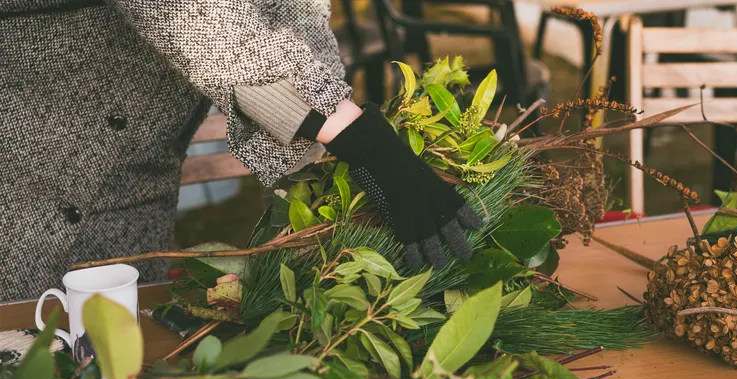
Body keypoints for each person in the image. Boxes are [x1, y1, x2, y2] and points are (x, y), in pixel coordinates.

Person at [0, 0, 481, 303]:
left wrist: (340, 118)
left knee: (121, 365)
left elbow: (295, 13)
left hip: (137, 174)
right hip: (30, 157)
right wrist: (359, 140)